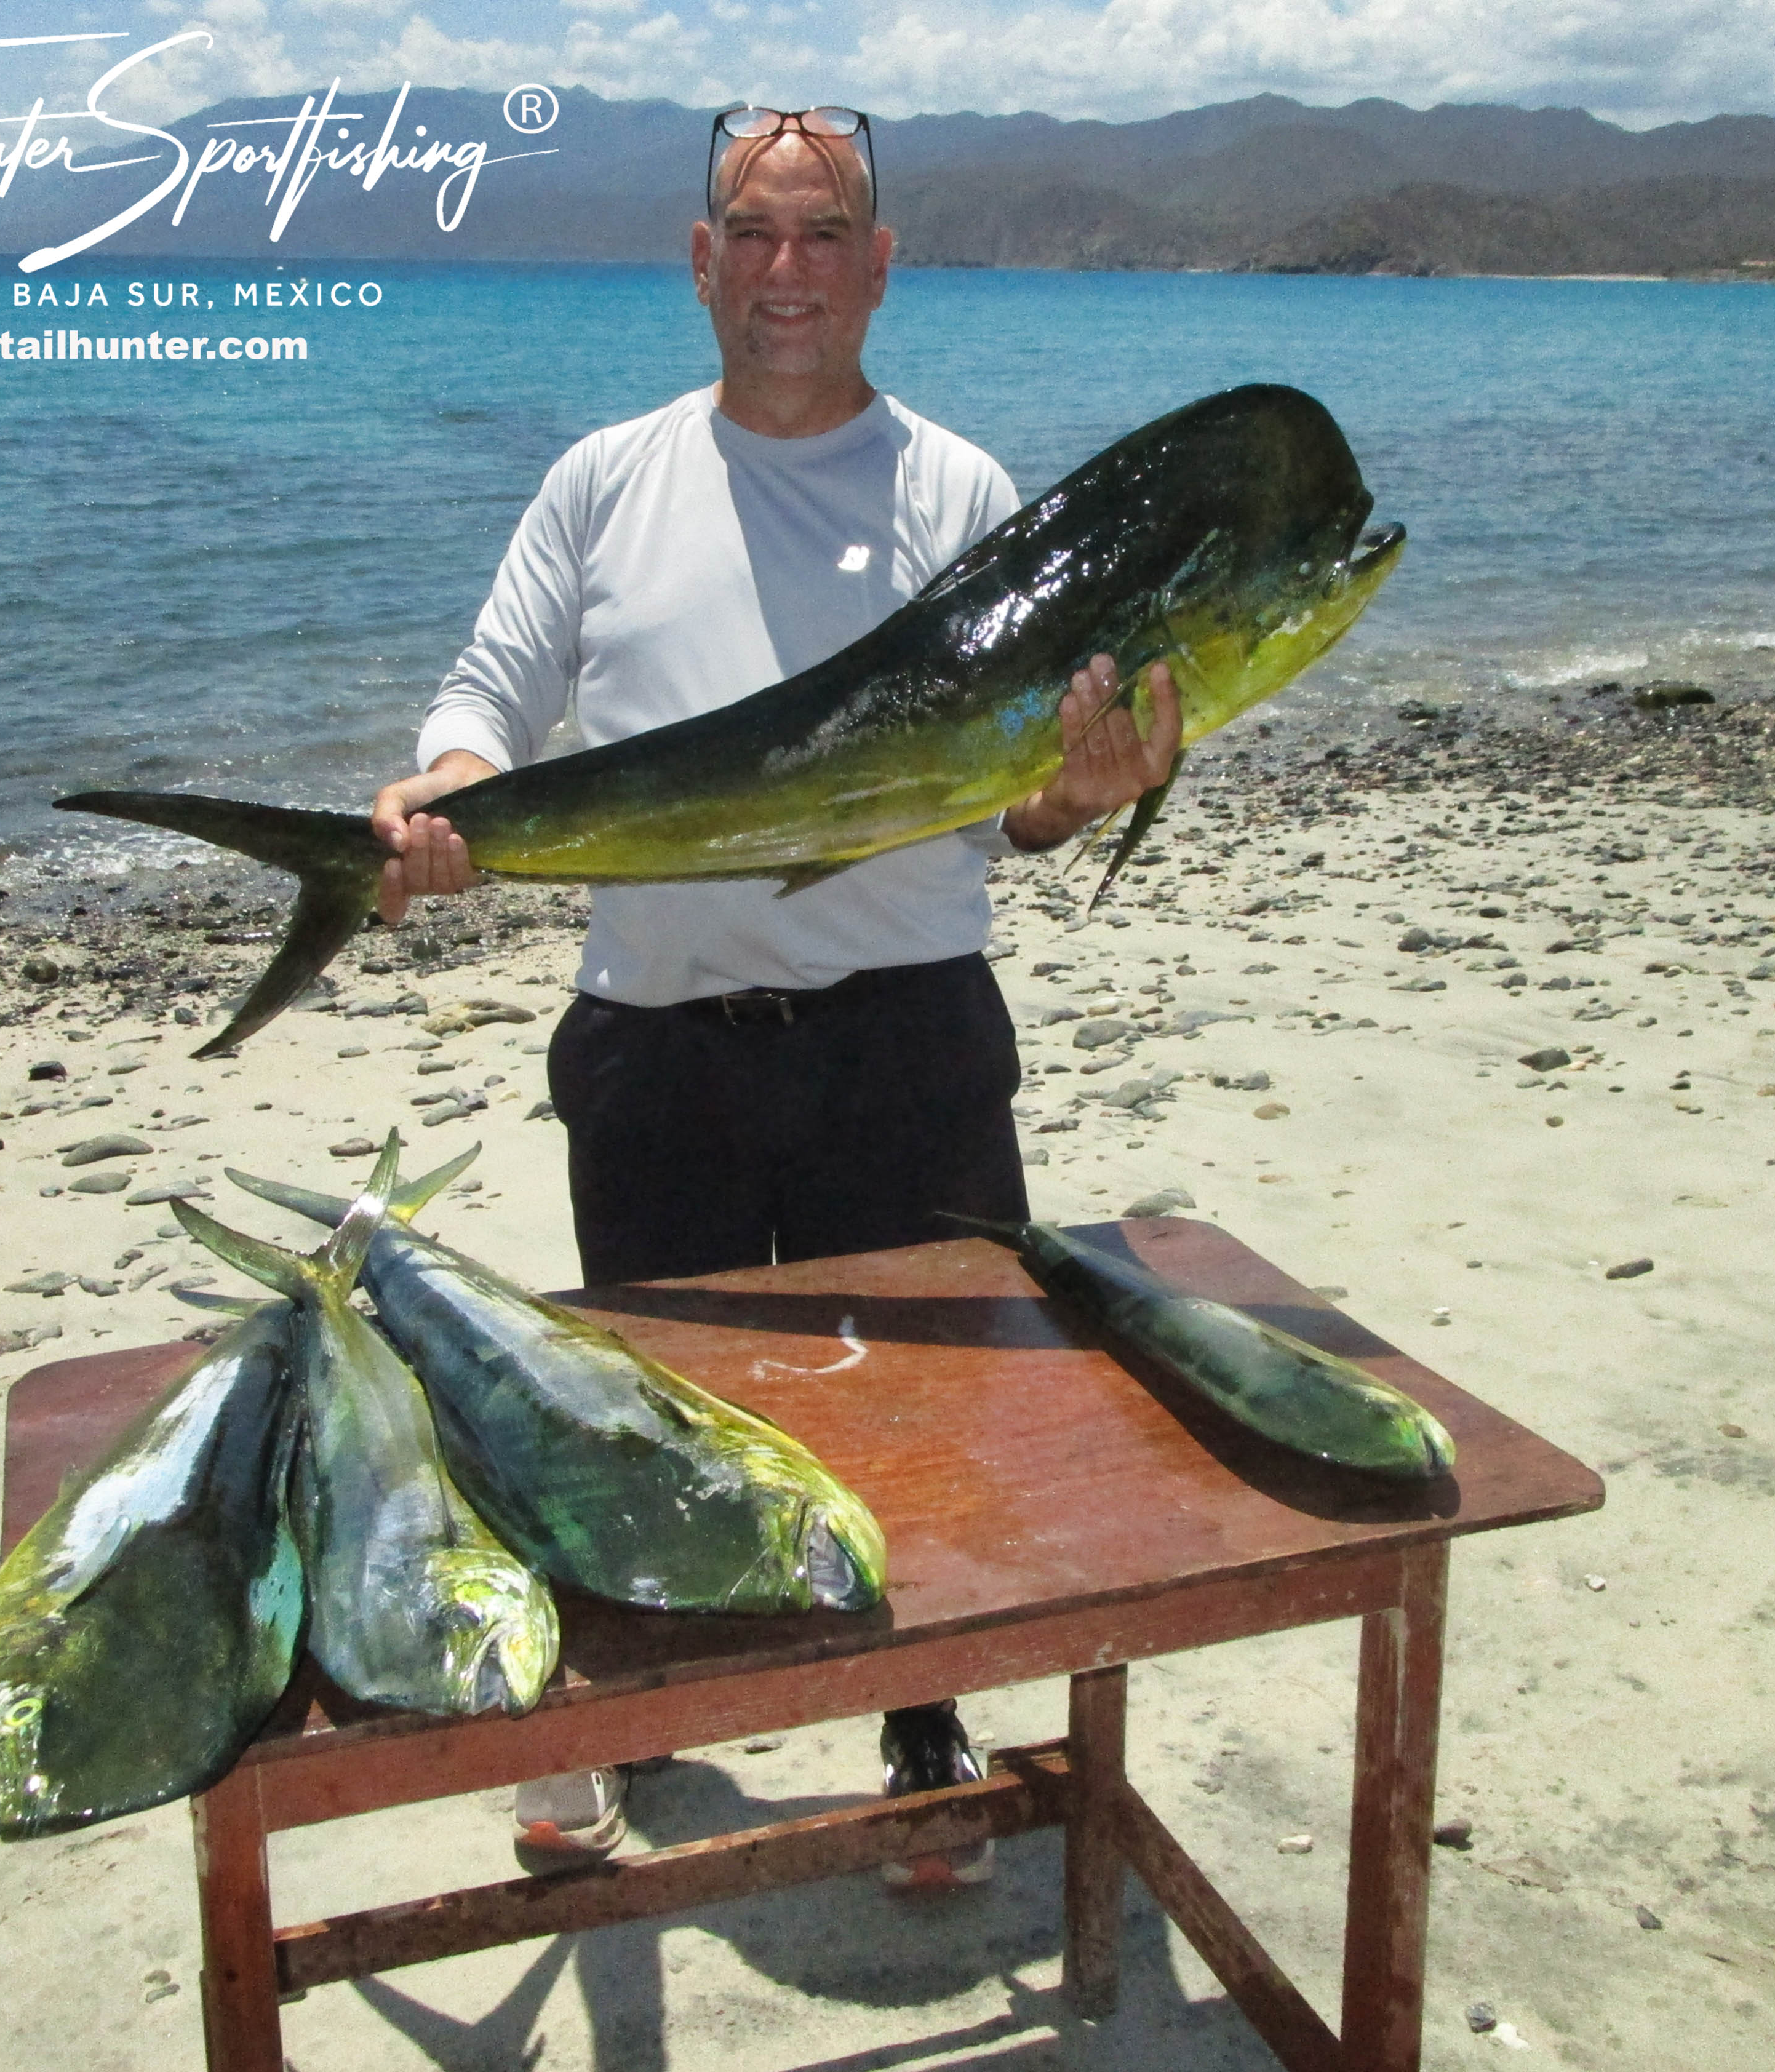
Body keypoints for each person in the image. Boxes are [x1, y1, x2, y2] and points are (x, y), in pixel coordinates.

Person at [372, 106, 1181, 1887]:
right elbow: (490, 697)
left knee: (934, 1421)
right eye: (754, 235)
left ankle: (924, 1712)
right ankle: (616, 1724)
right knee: (638, 1421)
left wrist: (1084, 794)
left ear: (881, 267)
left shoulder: (963, 495)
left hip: (909, 1042)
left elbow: (1016, 803)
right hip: (656, 1049)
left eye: (823, 238)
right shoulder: (604, 479)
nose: (787, 272)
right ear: (700, 263)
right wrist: (444, 795)